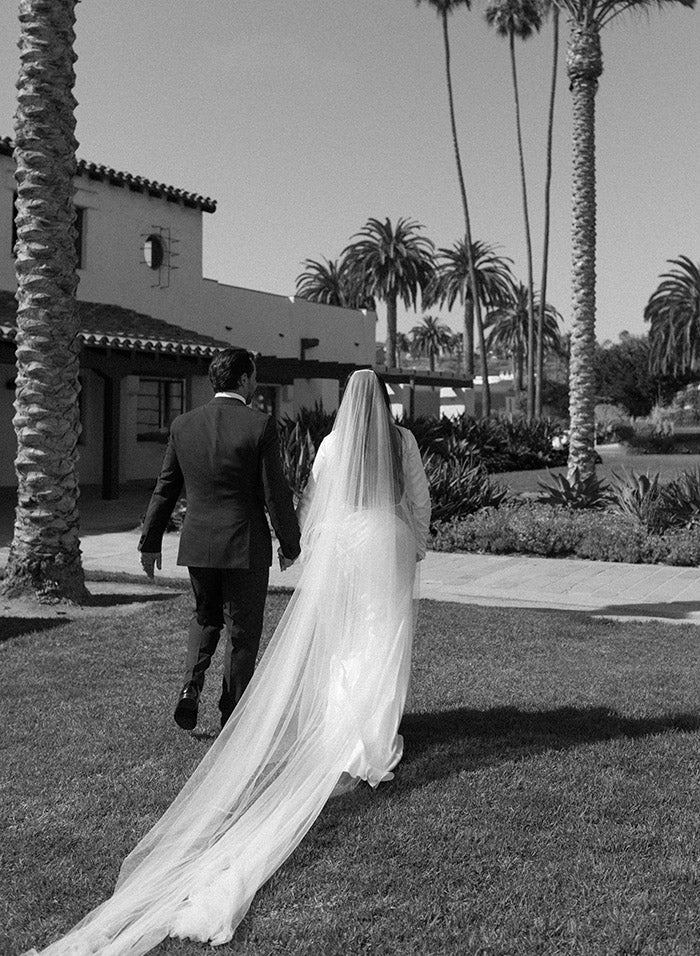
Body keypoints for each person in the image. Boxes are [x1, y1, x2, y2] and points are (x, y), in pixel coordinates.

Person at [26, 369, 431, 956]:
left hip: (342, 545)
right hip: (384, 541)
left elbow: (314, 498)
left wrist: (314, 547)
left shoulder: (333, 444)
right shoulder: (402, 442)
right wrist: (414, 540)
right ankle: (373, 734)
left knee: (340, 639)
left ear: (347, 402)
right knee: (381, 638)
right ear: (387, 401)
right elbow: (416, 497)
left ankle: (340, 733)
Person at [138, 347, 301, 730]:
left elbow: (165, 488)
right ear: (244, 379)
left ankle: (189, 690)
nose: (256, 381)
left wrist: (150, 542)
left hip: (197, 543)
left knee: (205, 617)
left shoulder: (183, 425)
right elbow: (274, 492)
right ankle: (232, 716)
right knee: (242, 633)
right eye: (254, 375)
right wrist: (290, 544)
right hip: (245, 545)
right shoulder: (259, 425)